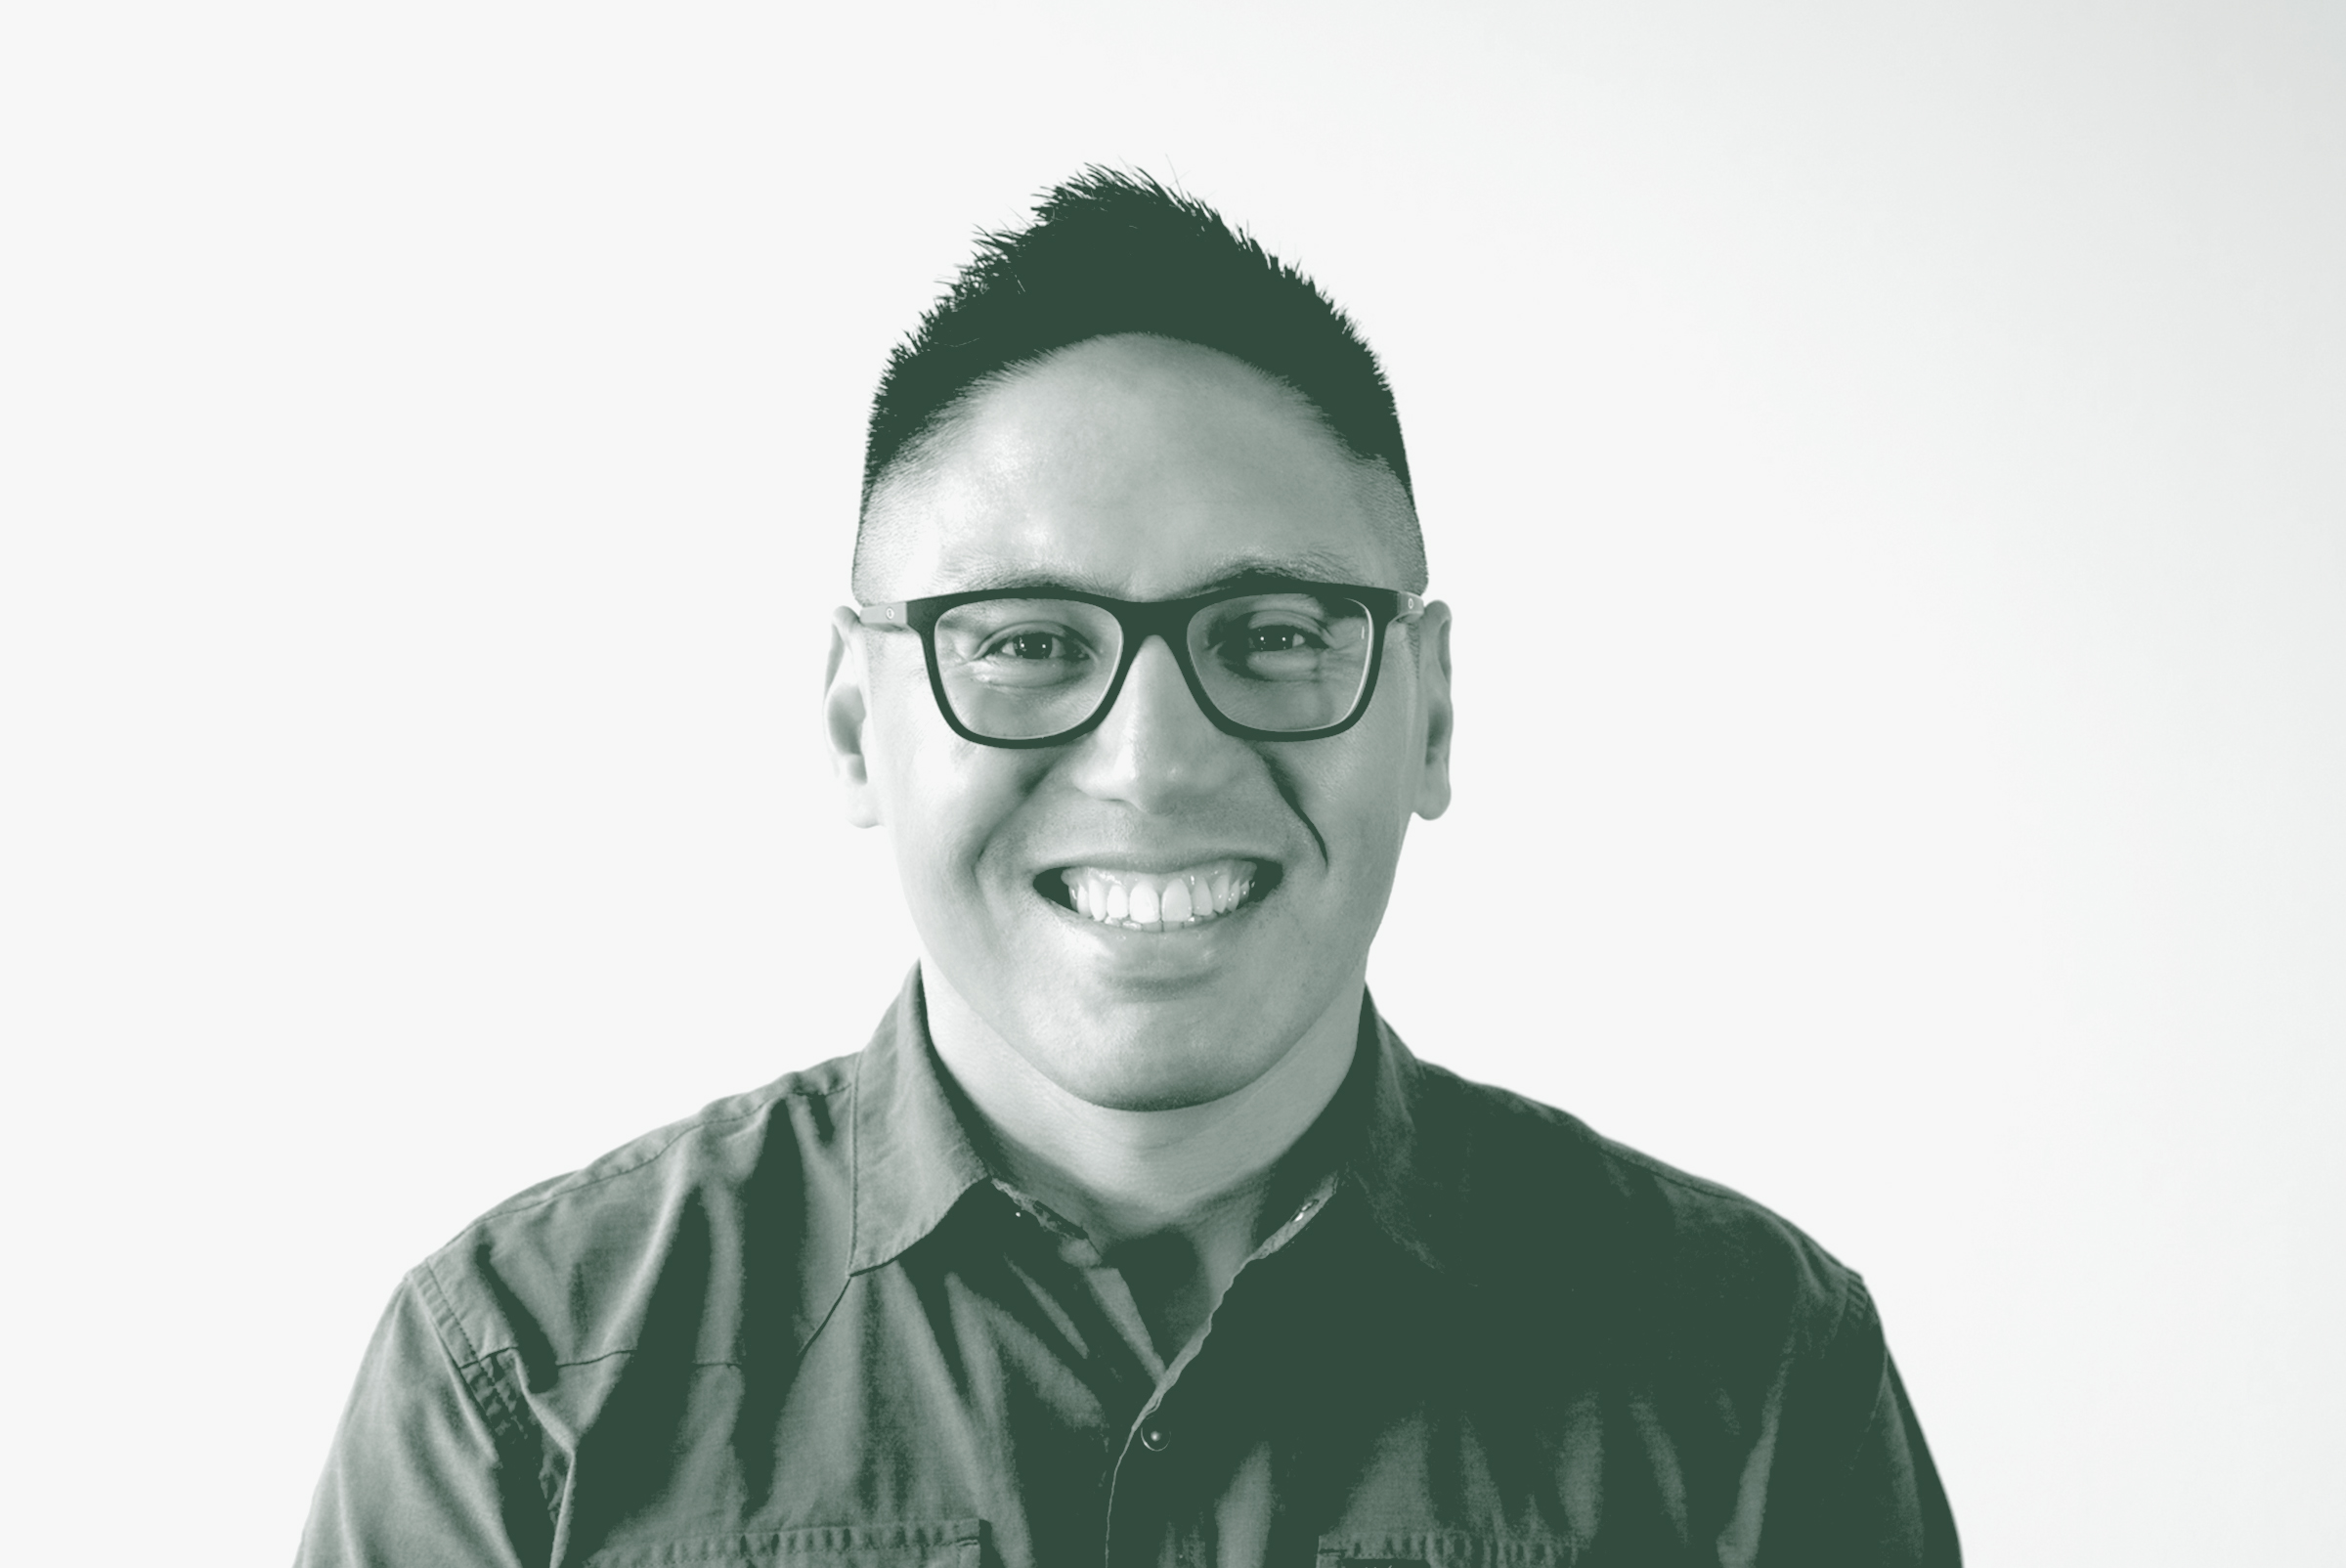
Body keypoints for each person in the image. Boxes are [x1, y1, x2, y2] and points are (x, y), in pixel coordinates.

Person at [297, 169, 1959, 1568]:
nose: (1155, 760)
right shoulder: (525, 1381)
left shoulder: (1753, 1369)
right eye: (1023, 640)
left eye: (1276, 634)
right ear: (857, 726)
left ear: (1431, 713)